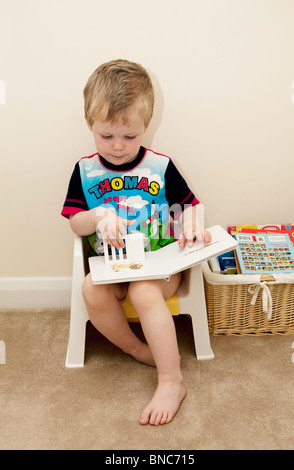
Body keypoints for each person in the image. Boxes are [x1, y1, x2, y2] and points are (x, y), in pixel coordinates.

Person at [61, 59, 211, 426]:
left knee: (144, 291)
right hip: (112, 266)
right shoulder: (84, 171)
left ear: (147, 126)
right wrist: (97, 216)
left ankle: (171, 380)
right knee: (89, 289)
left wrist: (191, 225)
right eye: (106, 136)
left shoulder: (161, 167)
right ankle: (136, 348)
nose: (117, 147)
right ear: (89, 125)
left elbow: (190, 207)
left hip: (158, 266)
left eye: (129, 136)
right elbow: (76, 224)